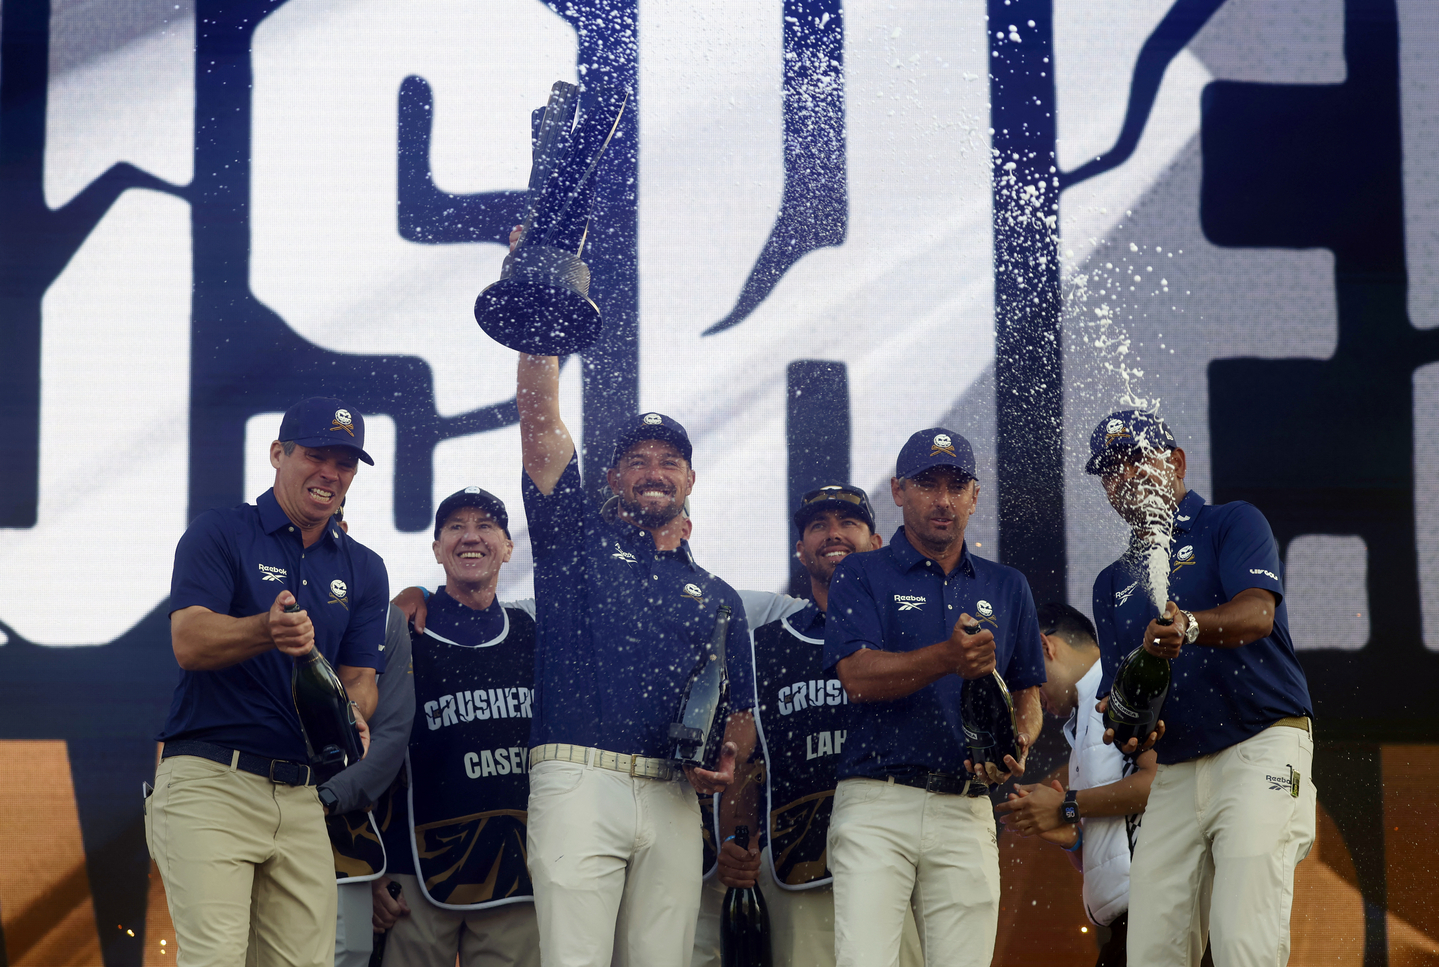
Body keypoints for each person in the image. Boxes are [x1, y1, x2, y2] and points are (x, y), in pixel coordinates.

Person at [516, 347, 756, 966]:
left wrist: (728, 759)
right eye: (638, 460)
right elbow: (541, 430)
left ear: (691, 481)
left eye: (670, 461)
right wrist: (539, 330)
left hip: (675, 796)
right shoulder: (573, 538)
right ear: (613, 478)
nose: (655, 470)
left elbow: (740, 714)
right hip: (578, 777)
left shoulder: (720, 597)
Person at [147, 397, 389, 967]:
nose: (331, 473)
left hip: (304, 795)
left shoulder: (364, 566)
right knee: (217, 959)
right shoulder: (221, 531)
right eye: (316, 455)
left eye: (346, 463)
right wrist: (267, 629)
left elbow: (359, 678)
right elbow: (190, 642)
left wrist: (351, 711)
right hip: (212, 777)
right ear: (278, 454)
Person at [1085, 409, 1315, 967]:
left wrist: (1189, 625)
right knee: (1150, 952)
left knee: (1242, 941)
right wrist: (1127, 725)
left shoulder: (1231, 522)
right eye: (1111, 470)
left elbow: (1257, 614)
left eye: (1138, 458)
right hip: (1174, 769)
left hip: (1258, 745)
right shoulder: (1112, 580)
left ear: (1177, 463)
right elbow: (1124, 694)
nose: (1127, 476)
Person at [822, 428, 1046, 967]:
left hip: (967, 806)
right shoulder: (861, 571)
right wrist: (947, 657)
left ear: (974, 495)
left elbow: (1028, 698)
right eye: (927, 484)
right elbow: (856, 675)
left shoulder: (1008, 585)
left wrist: (1016, 743)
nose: (942, 500)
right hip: (877, 798)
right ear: (898, 491)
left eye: (956, 485)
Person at [694, 485, 923, 967]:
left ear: (876, 541)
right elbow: (746, 758)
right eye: (818, 526)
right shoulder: (766, 645)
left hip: (901, 863)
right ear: (801, 550)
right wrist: (739, 839)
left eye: (848, 523)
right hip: (799, 864)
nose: (833, 534)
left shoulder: (912, 635)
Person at [368, 487, 542, 967]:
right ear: (437, 547)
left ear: (508, 547)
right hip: (413, 871)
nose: (471, 537)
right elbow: (362, 746)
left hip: (516, 872)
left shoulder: (532, 630)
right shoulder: (401, 629)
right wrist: (373, 868)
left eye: (486, 526)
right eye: (456, 527)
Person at [996, 602, 1158, 967]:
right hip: (1129, 927)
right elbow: (1116, 847)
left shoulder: (1123, 684)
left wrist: (1067, 805)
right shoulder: (1085, 716)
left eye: (1024, 679)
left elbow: (1162, 784)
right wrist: (1074, 837)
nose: (1028, 695)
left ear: (1044, 647)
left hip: (1162, 918)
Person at [320, 503, 417, 967]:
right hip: (249, 807)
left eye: (331, 524)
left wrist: (324, 798)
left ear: (343, 527)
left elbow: (391, 736)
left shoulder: (384, 615)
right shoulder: (250, 597)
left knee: (346, 951)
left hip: (344, 823)